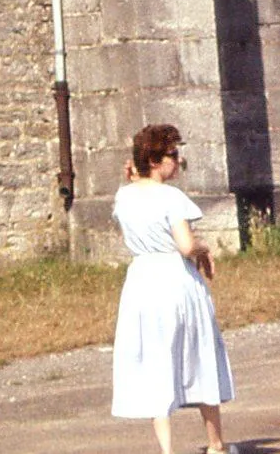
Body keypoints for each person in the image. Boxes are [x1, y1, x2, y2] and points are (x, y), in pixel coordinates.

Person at [111, 122, 234, 454]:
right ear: (155, 160)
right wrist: (203, 249)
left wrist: (134, 176)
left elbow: (135, 202)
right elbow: (184, 245)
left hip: (141, 281)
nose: (177, 161)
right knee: (199, 354)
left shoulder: (124, 195)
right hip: (174, 280)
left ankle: (167, 449)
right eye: (173, 155)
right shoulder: (171, 197)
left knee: (155, 360)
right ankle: (216, 444)